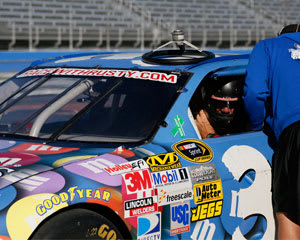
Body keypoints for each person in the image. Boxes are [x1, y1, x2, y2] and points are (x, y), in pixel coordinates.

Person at [243, 24, 300, 239]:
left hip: (294, 132)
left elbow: (255, 93)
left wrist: (256, 125)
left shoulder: (268, 47)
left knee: (289, 216)